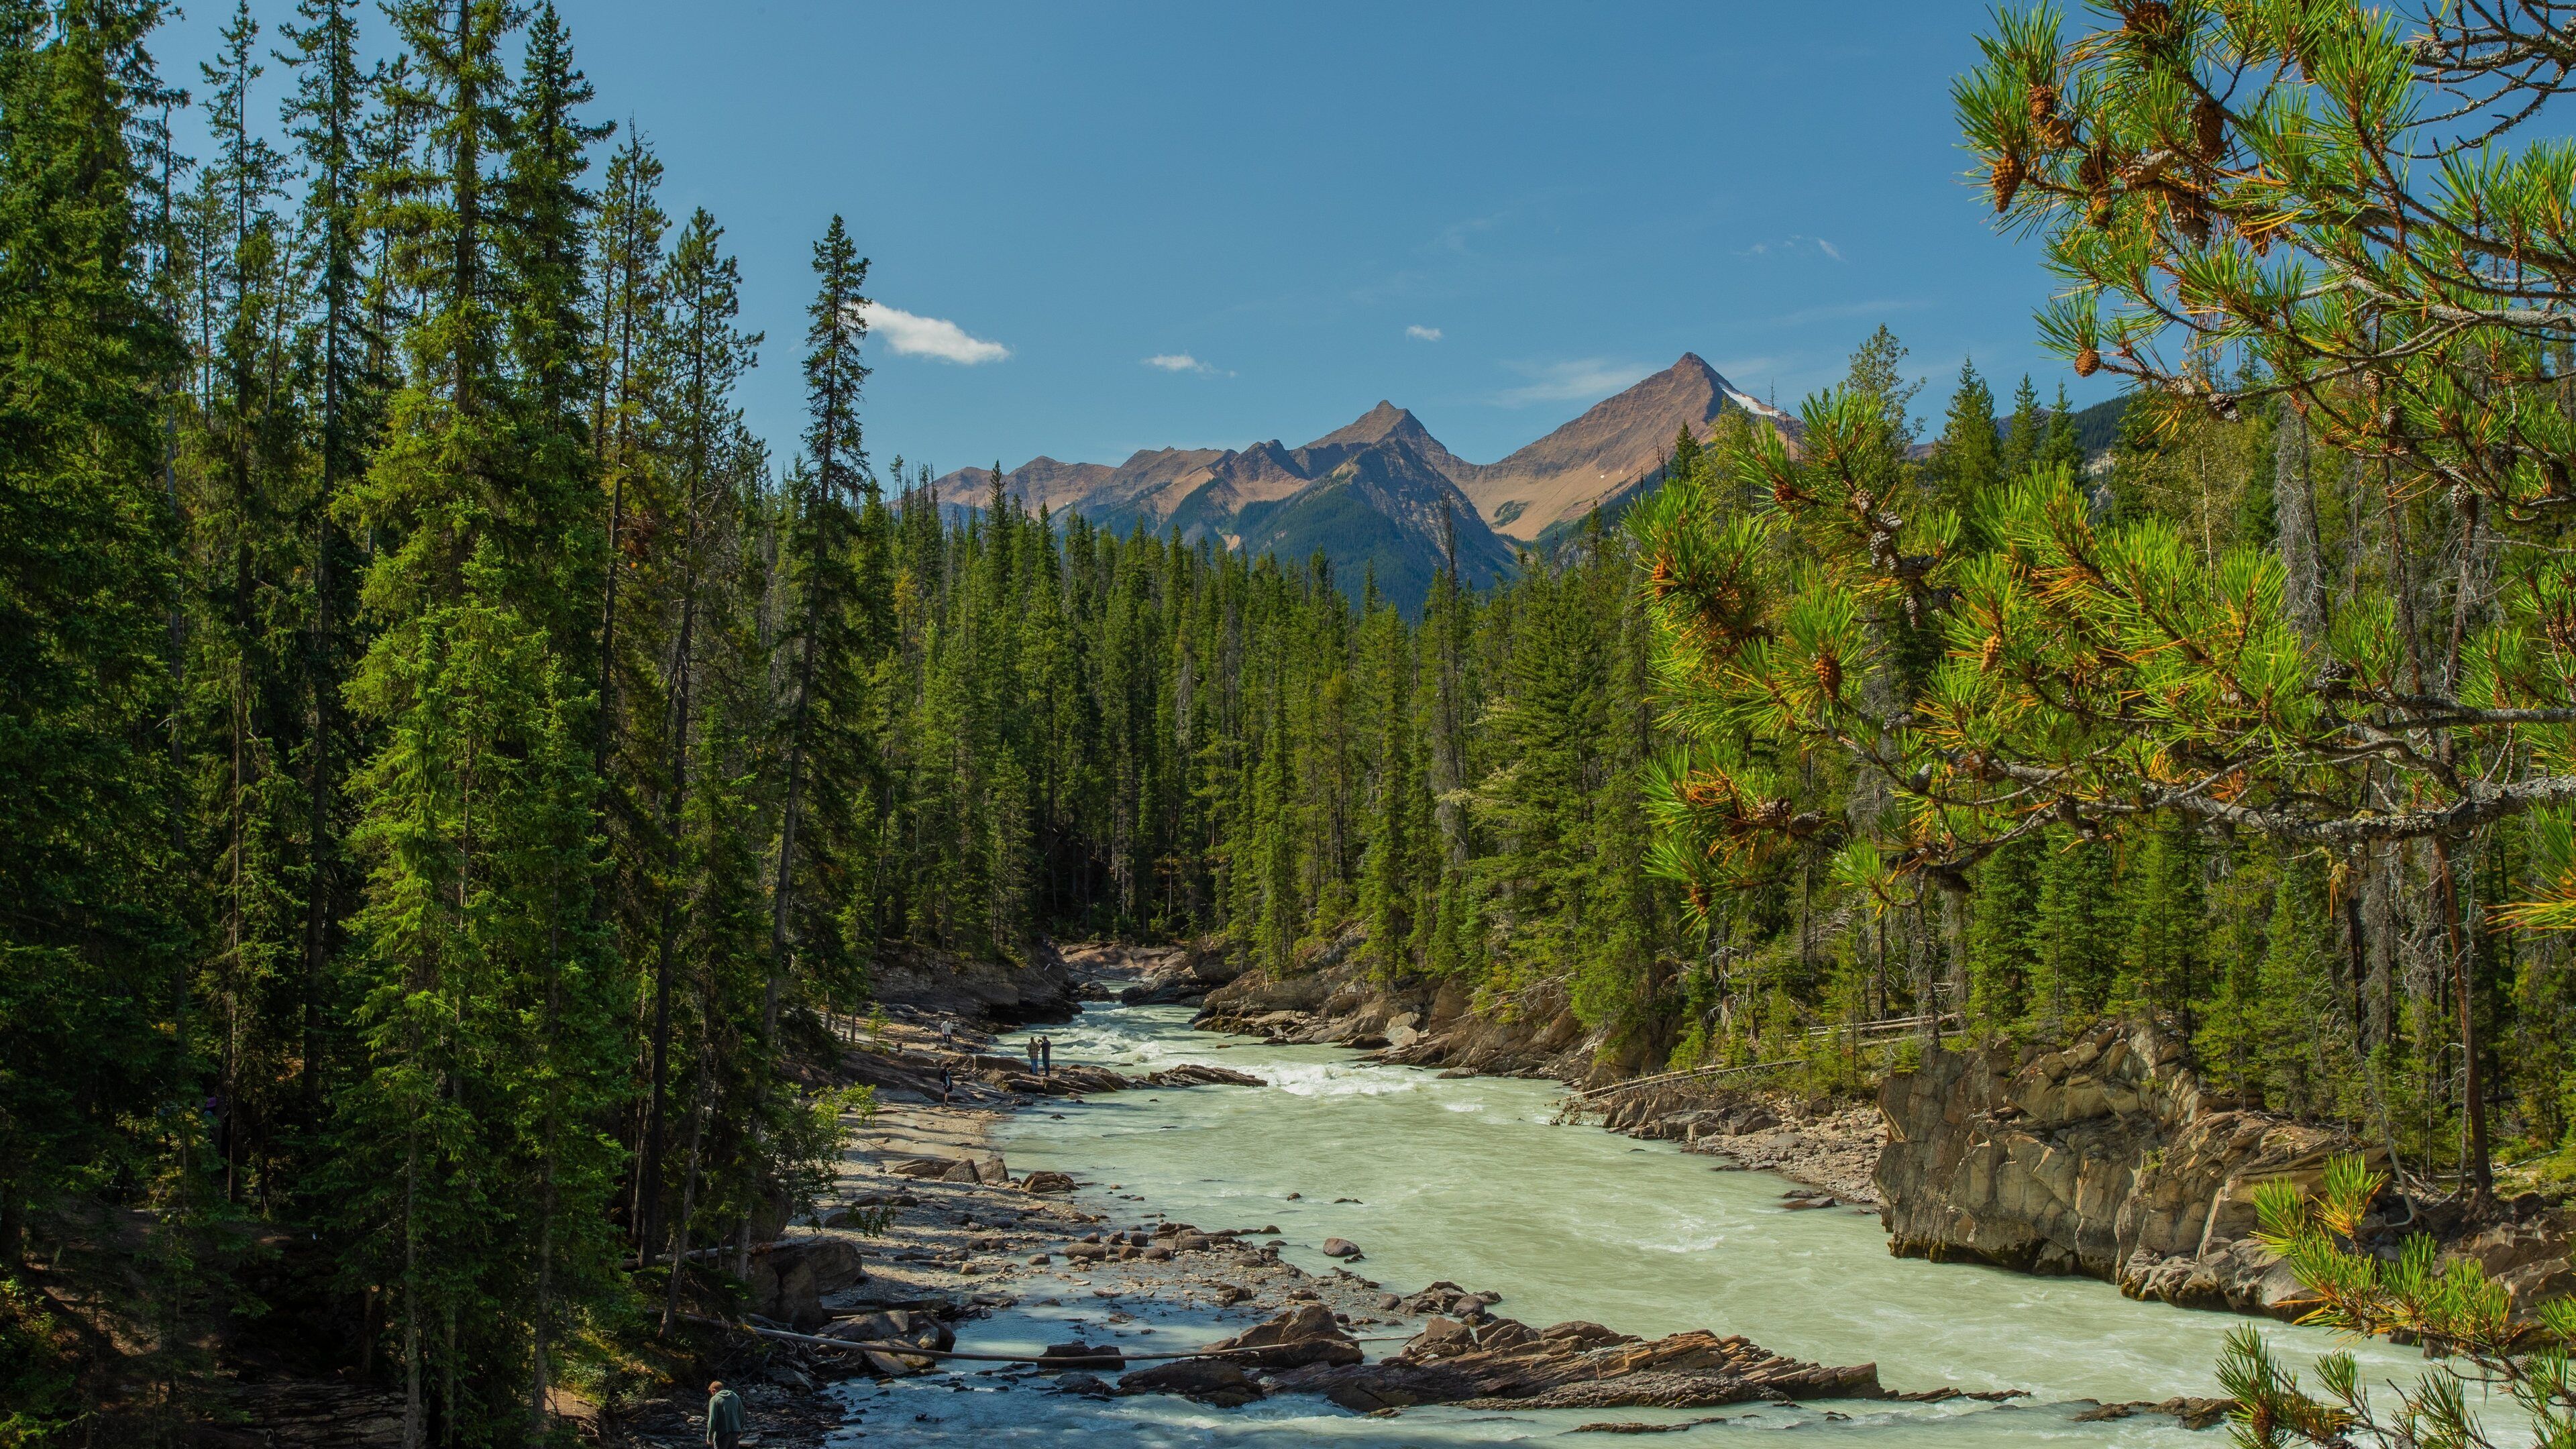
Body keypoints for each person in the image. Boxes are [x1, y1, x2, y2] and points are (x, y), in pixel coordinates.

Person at [704, 1380, 745, 1449]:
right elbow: (742, 1416)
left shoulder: (715, 1399)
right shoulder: (735, 1397)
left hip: (722, 1434)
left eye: (712, 1393)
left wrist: (710, 1436)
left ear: (714, 1391)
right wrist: (739, 1429)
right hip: (735, 1432)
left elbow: (713, 1419)